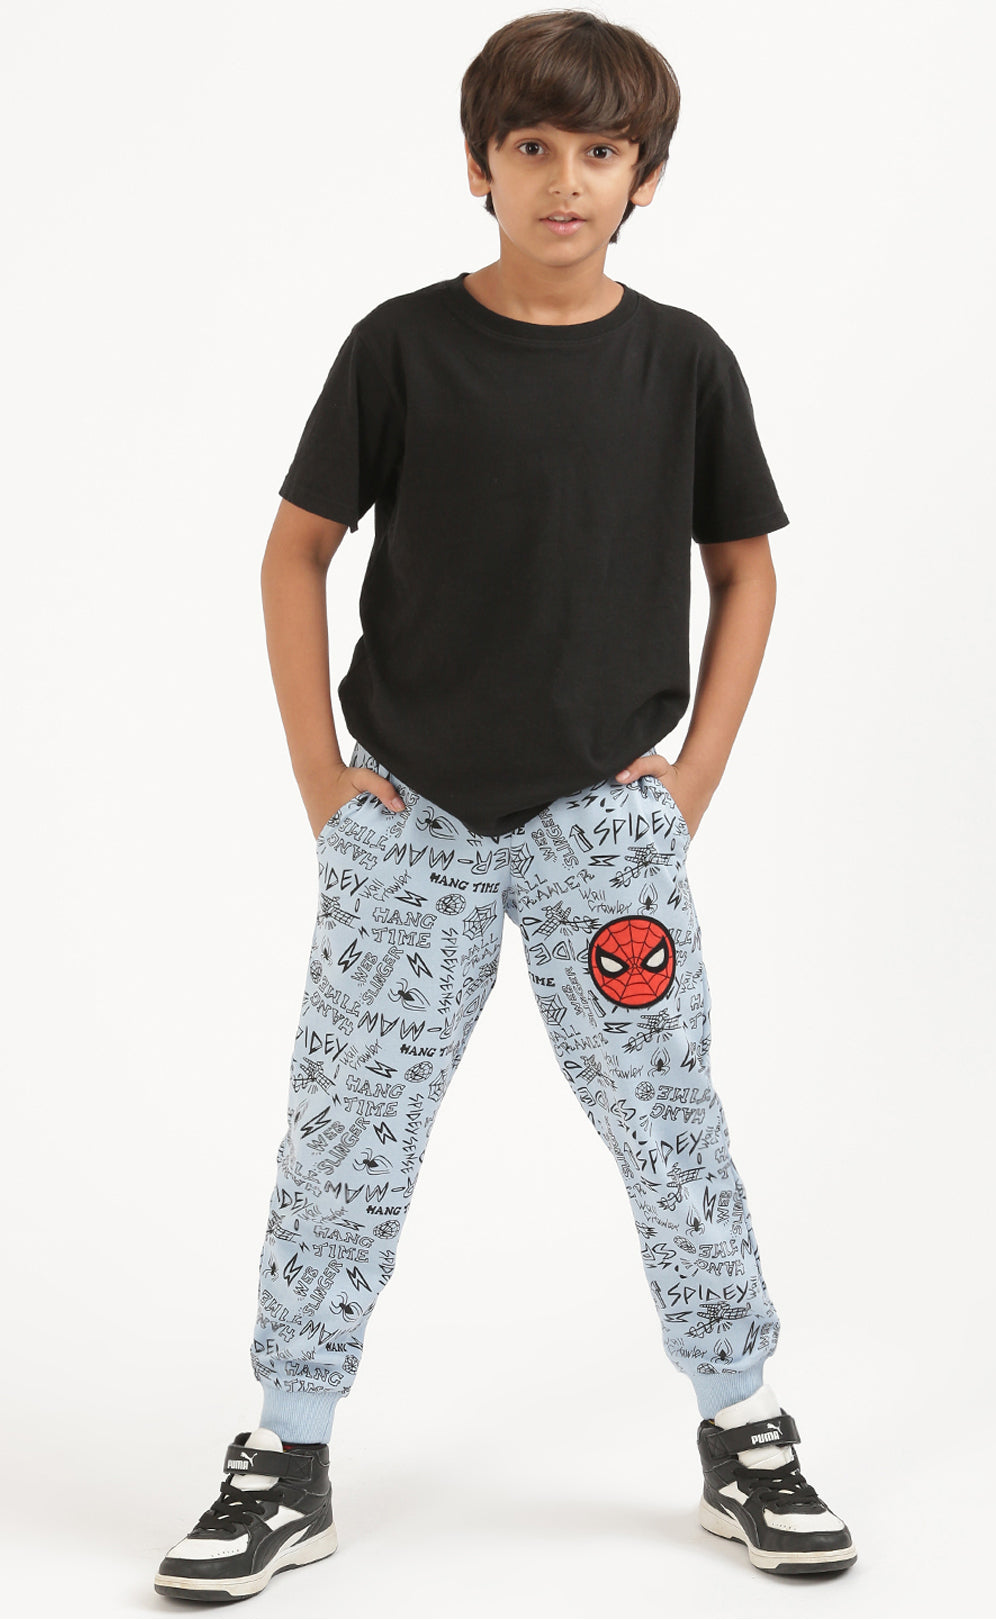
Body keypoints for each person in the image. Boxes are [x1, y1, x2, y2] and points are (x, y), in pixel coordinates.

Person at [155, 8, 856, 1603]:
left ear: (645, 179)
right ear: (480, 166)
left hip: (607, 829)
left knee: (668, 1124)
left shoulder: (683, 363)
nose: (564, 179)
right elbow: (296, 552)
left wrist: (693, 780)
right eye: (532, 147)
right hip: (409, 821)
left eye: (600, 152)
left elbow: (745, 570)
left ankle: (742, 1428)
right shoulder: (400, 347)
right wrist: (322, 782)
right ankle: (288, 1454)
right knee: (347, 1133)